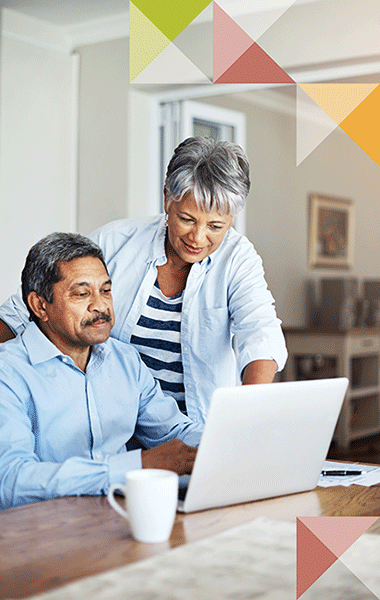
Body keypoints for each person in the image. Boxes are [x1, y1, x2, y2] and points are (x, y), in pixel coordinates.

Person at [0, 137, 287, 424]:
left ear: (232, 219)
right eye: (187, 219)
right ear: (167, 199)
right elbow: (21, 312)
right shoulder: (113, 241)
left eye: (215, 226)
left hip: (192, 428)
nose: (198, 238)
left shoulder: (238, 259)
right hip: (109, 425)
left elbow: (260, 334)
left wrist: (249, 416)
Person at [0, 233, 202, 509]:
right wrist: (135, 467)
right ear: (39, 305)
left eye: (105, 290)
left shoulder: (125, 359)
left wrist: (226, 443)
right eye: (82, 293)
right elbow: (11, 481)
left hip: (121, 520)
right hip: (40, 535)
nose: (101, 305)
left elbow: (174, 431)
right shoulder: (8, 372)